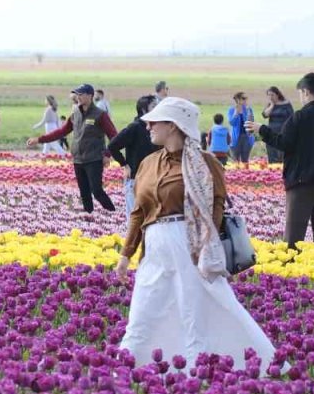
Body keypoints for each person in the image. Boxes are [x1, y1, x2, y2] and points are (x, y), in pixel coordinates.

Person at [116, 97, 276, 371]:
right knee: (143, 309)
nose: (148, 126)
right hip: (155, 246)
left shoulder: (204, 162)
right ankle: (127, 366)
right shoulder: (148, 164)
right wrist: (126, 254)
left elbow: (216, 204)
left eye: (156, 121)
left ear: (175, 126)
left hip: (188, 243)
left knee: (194, 311)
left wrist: (204, 244)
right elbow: (138, 213)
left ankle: (198, 371)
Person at [248, 72, 314, 247]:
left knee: (294, 238)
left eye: (300, 93)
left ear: (306, 92)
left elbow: (284, 143)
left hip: (302, 182)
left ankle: (291, 272)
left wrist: (262, 129)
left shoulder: (300, 117)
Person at [27, 84, 118, 213]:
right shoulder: (75, 114)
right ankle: (89, 217)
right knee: (84, 193)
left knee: (97, 191)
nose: (78, 97)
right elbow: (61, 131)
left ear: (90, 96)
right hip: (78, 159)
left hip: (94, 159)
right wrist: (39, 139)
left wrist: (108, 154)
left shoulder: (100, 115)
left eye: (81, 94)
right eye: (77, 94)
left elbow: (114, 136)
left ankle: (113, 214)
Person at [108, 95, 161, 215]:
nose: (157, 108)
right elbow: (113, 146)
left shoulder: (157, 128)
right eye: (154, 106)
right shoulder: (135, 127)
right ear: (143, 109)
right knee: (134, 218)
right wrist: (125, 164)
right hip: (135, 179)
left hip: (153, 179)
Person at [262, 86, 294, 164]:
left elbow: (292, 117)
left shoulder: (286, 103)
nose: (270, 97)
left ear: (277, 94)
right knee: (272, 153)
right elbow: (264, 115)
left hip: (283, 132)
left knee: (282, 154)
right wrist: (272, 105)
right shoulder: (270, 105)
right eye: (268, 95)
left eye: (272, 95)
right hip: (271, 132)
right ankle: (273, 173)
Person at [227, 92, 255, 166]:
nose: (246, 100)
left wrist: (245, 113)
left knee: (245, 160)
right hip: (236, 138)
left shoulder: (249, 109)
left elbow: (251, 122)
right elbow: (232, 123)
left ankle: (245, 175)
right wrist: (236, 113)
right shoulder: (231, 110)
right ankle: (236, 176)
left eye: (246, 98)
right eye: (243, 98)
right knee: (235, 160)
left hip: (247, 137)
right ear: (238, 100)